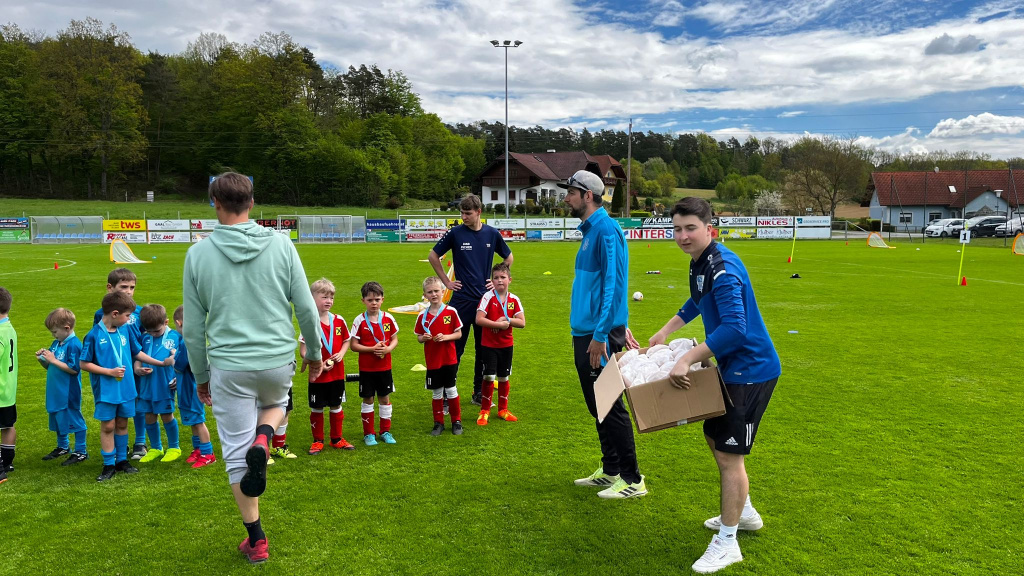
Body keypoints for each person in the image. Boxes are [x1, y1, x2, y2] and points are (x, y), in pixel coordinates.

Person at [182, 172, 323, 564]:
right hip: (277, 360)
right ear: (252, 202)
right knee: (276, 404)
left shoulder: (198, 254)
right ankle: (265, 436)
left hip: (228, 366)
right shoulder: (281, 244)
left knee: (235, 458)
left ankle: (257, 539)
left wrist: (201, 377)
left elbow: (192, 328)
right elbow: (306, 308)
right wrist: (314, 353)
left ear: (215, 203)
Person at [649, 197, 780, 574]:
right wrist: (665, 331)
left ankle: (728, 542)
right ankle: (745, 512)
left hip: (752, 371)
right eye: (677, 229)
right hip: (733, 368)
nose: (683, 236)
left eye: (691, 228)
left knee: (728, 455)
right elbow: (696, 301)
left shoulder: (722, 268)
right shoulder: (700, 262)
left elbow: (736, 328)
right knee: (713, 434)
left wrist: (687, 358)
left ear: (710, 229)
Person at [561, 169, 646, 500]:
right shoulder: (590, 231)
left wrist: (605, 332)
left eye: (571, 192)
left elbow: (614, 283)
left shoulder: (607, 230)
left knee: (610, 403)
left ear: (588, 195)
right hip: (588, 331)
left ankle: (632, 479)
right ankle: (611, 469)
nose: (566, 198)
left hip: (597, 335)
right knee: (598, 404)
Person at [428, 194, 513, 406]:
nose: (463, 217)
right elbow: (433, 256)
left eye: (467, 213)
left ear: (478, 212)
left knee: (483, 350)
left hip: (484, 302)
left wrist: (496, 280)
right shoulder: (455, 233)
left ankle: (478, 393)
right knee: (454, 349)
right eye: (462, 213)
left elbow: (509, 257)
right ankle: (447, 395)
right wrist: (447, 282)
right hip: (461, 301)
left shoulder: (492, 234)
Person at [80, 292, 173, 482]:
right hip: (106, 390)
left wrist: (161, 363)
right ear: (115, 314)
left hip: (126, 387)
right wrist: (109, 372)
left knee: (122, 423)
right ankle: (108, 464)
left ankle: (122, 460)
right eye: (128, 316)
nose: (130, 319)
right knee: (108, 425)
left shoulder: (125, 330)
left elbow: (136, 352)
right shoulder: (94, 335)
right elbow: (84, 363)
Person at [92, 268, 149, 460]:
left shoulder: (139, 312)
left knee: (138, 402)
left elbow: (146, 339)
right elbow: (100, 342)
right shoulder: (101, 314)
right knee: (118, 406)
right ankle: (118, 447)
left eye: (132, 287)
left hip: (138, 365)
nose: (129, 291)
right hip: (115, 369)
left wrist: (139, 364)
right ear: (110, 288)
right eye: (124, 287)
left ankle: (140, 441)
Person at [299, 278, 354, 453]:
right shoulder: (309, 322)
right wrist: (317, 361)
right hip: (318, 373)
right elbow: (303, 350)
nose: (329, 301)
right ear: (312, 298)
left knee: (336, 405)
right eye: (324, 297)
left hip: (336, 373)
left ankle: (336, 438)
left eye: (331, 297)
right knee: (317, 406)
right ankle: (318, 440)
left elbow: (346, 340)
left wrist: (342, 354)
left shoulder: (339, 320)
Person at [474, 262, 525, 425]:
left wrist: (506, 320)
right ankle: (484, 410)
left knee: (503, 377)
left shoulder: (514, 299)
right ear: (492, 281)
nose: (499, 280)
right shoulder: (487, 297)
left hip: (506, 345)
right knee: (489, 376)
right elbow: (479, 319)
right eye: (496, 278)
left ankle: (503, 409)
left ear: (510, 280)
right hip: (489, 345)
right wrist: (496, 324)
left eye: (503, 277)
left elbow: (522, 322)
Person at [349, 282, 399, 446]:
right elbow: (353, 345)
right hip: (367, 369)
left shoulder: (388, 318)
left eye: (377, 299)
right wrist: (372, 349)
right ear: (363, 300)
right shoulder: (359, 320)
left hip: (384, 367)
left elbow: (394, 339)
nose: (374, 303)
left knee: (384, 398)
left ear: (382, 299)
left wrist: (388, 349)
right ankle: (369, 434)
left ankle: (385, 431)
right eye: (370, 300)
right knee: (368, 399)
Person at [37, 308, 88, 466]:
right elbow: (51, 366)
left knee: (75, 419)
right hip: (55, 391)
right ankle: (63, 446)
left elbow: (74, 369)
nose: (53, 335)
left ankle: (81, 451)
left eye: (54, 331)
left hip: (68, 392)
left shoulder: (74, 345)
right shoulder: (56, 343)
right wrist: (43, 359)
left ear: (67, 328)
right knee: (57, 417)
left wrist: (53, 360)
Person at [413, 276, 464, 436]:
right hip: (433, 360)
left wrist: (446, 337)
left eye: (436, 291)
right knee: (437, 392)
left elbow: (459, 334)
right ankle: (438, 423)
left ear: (443, 292)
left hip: (449, 359)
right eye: (430, 292)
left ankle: (456, 421)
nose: (434, 294)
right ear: (425, 295)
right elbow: (419, 337)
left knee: (451, 390)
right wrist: (424, 338)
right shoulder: (422, 315)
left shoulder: (451, 311)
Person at [135, 304, 183, 464]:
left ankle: (174, 447)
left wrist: (178, 377)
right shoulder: (144, 337)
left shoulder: (175, 337)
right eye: (149, 331)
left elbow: (183, 358)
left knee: (166, 415)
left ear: (166, 322)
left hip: (164, 384)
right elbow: (138, 356)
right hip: (146, 385)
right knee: (148, 416)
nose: (153, 334)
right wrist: (137, 369)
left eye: (156, 331)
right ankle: (156, 448)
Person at [171, 306, 216, 469]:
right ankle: (198, 450)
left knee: (198, 421)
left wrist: (173, 357)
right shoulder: (191, 340)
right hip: (187, 388)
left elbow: (179, 365)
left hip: (192, 390)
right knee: (192, 421)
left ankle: (208, 454)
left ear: (179, 323)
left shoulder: (186, 342)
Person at [0, 287, 18, 485]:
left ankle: (0, 470)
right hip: (9, 390)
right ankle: (7, 462)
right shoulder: (9, 328)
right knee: (7, 425)